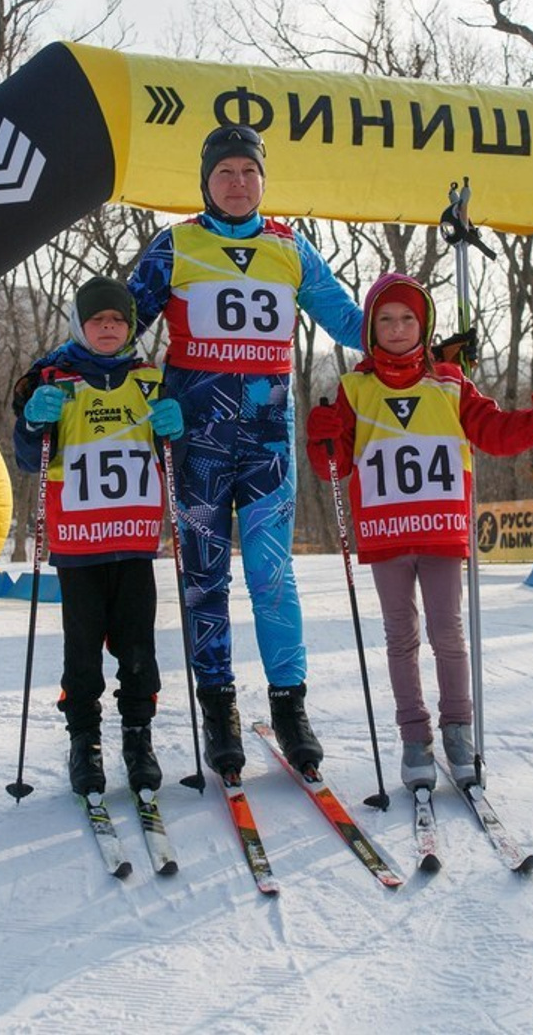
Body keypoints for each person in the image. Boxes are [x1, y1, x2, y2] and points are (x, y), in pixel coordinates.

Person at [128, 124, 364, 778]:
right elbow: (114, 332)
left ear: (264, 180)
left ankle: (290, 707)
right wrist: (150, 397)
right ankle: (219, 709)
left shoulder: (290, 247)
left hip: (266, 443)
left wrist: (417, 320)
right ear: (206, 181)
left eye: (249, 172)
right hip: (196, 442)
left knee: (272, 576)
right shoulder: (175, 245)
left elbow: (348, 322)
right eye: (225, 172)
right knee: (204, 579)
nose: (238, 183)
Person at [304, 272, 533, 790]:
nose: (397, 328)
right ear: (371, 329)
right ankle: (413, 736)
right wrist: (323, 439)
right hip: (385, 533)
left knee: (448, 634)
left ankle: (458, 730)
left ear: (423, 325)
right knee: (401, 637)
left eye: (408, 319)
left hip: (440, 526)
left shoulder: (448, 382)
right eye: (386, 319)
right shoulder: (355, 387)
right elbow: (331, 466)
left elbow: (490, 430)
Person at [12, 276, 185, 799]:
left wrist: (179, 425)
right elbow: (27, 458)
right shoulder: (52, 379)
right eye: (97, 320)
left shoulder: (150, 379)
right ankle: (84, 739)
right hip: (78, 542)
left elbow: (174, 449)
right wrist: (30, 425)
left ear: (130, 327)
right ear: (80, 326)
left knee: (138, 646)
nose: (107, 328)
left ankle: (138, 736)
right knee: (81, 651)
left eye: (117, 320)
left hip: (133, 538)